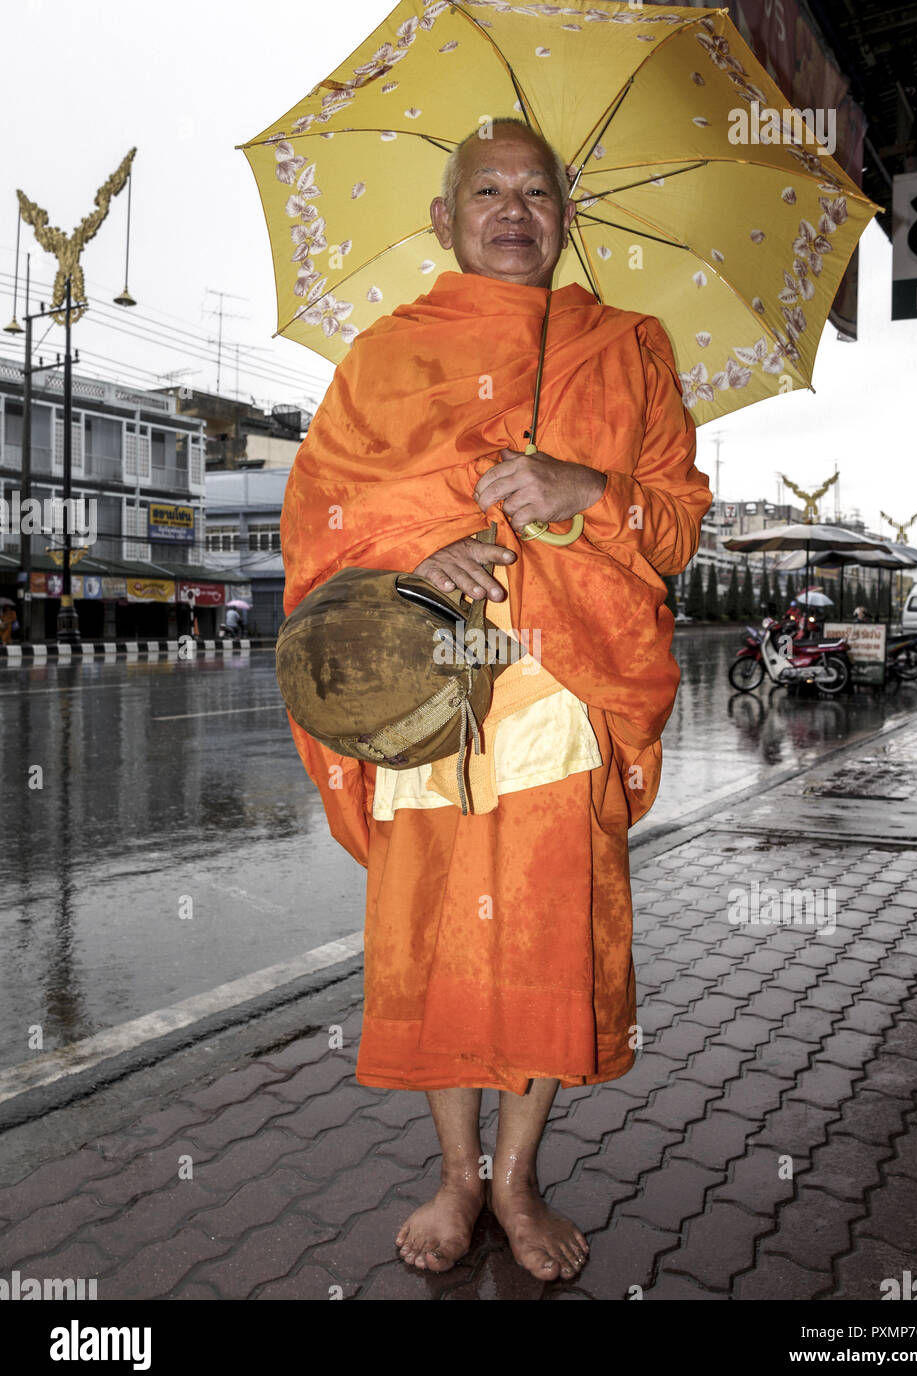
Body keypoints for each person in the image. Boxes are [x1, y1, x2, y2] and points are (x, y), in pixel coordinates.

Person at [280, 119, 712, 1282]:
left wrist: (587, 488)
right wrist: (420, 559)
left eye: (535, 191)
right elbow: (317, 518)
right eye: (487, 190)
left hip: (561, 697)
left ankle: (516, 1180)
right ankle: (453, 1177)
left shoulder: (627, 348)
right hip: (428, 703)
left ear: (563, 220)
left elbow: (672, 526)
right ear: (444, 217)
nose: (512, 209)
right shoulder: (381, 357)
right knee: (435, 942)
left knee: (541, 945)